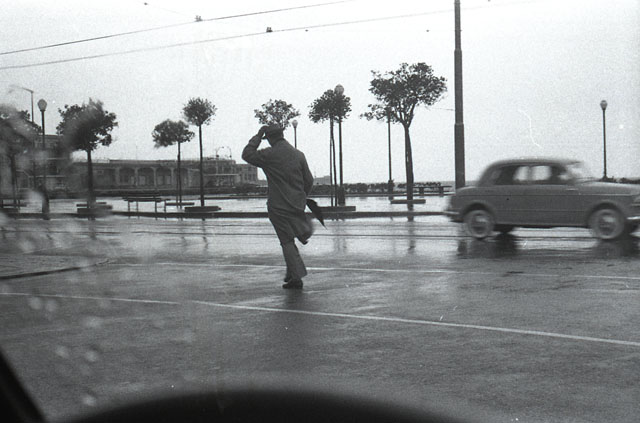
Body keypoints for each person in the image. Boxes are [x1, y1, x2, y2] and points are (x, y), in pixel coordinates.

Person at [242, 124, 314, 289]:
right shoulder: (298, 154)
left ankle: (296, 277)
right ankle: (292, 271)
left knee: (286, 241)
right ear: (282, 135)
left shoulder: (269, 154)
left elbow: (247, 154)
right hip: (297, 204)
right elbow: (309, 180)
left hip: (278, 205)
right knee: (290, 239)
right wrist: (301, 196)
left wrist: (257, 136)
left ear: (269, 138)